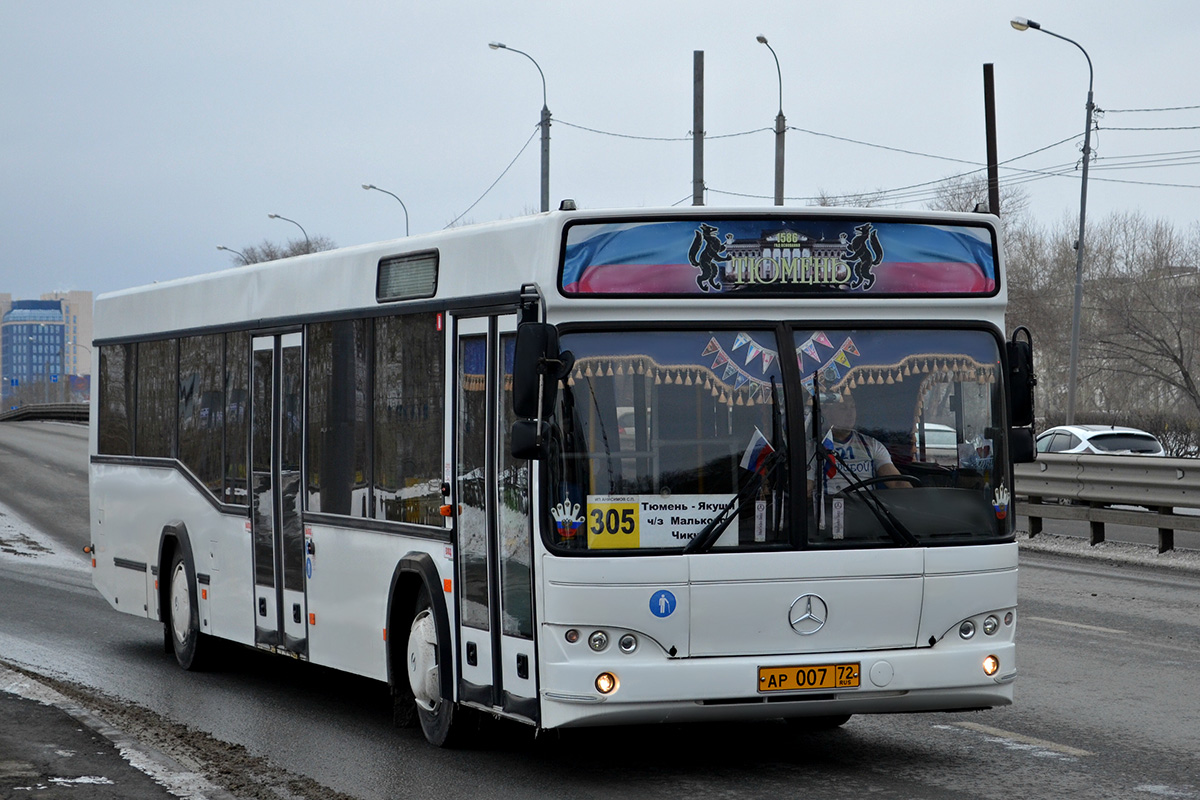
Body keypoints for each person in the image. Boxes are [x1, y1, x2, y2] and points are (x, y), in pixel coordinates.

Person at [807, 392, 908, 496]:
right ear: (826, 412)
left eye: (852, 407)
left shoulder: (872, 445)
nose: (850, 413)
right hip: (830, 509)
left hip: (867, 508)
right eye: (843, 408)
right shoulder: (813, 447)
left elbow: (896, 483)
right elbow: (807, 490)